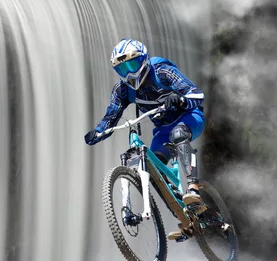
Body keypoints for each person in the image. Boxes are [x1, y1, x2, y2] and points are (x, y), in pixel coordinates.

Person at [85, 39, 206, 240]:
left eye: (132, 65)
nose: (128, 73)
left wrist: (181, 99)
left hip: (190, 117)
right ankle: (185, 218)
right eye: (122, 69)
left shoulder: (162, 71)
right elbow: (110, 118)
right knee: (154, 169)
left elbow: (197, 94)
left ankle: (193, 189)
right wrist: (96, 133)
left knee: (178, 135)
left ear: (143, 59)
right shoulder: (122, 90)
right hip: (162, 130)